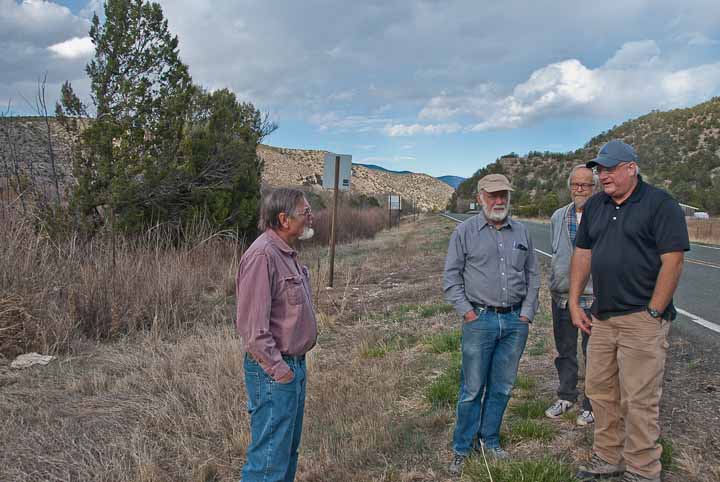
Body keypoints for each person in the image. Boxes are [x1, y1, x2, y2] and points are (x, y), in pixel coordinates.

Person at [569, 140, 689, 482]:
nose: (602, 176)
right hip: (601, 317)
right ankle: (609, 457)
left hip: (641, 319)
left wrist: (654, 312)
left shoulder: (659, 204)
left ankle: (642, 469)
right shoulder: (595, 206)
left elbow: (673, 261)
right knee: (601, 392)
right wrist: (576, 301)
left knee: (639, 398)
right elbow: (583, 254)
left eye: (609, 169)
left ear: (631, 168)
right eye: (599, 170)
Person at [443, 174, 540, 476]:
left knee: (502, 387)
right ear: (481, 197)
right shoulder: (465, 232)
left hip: (514, 322)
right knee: (472, 389)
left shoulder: (522, 231)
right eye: (493, 196)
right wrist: (468, 313)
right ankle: (462, 448)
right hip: (479, 320)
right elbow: (451, 278)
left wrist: (526, 315)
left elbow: (533, 276)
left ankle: (490, 440)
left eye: (504, 196)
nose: (499, 201)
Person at [236, 188, 317, 482]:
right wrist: (281, 372)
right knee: (268, 462)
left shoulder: (287, 253)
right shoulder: (262, 256)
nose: (311, 217)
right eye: (305, 212)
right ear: (284, 219)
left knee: (286, 455)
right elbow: (253, 331)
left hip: (293, 366)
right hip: (273, 371)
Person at [545, 165, 598, 426]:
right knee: (565, 349)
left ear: (594, 188)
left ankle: (592, 403)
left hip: (593, 298)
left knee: (595, 353)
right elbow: (556, 252)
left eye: (586, 185)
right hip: (562, 298)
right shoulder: (558, 216)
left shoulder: (603, 214)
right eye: (575, 184)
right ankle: (566, 395)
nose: (580, 189)